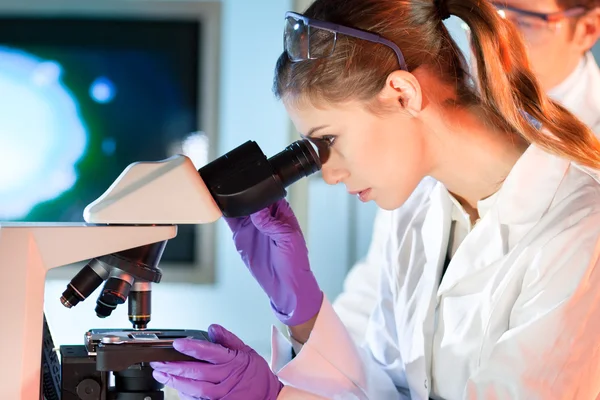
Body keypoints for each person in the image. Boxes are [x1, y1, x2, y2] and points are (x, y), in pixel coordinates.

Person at [150, 0, 600, 398]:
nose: (328, 171)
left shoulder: (581, 234)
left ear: (402, 93)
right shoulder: (419, 214)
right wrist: (303, 313)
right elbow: (388, 391)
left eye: (328, 140)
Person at [334, 0, 600, 344]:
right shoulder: (434, 118)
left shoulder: (586, 178)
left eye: (524, 22)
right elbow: (376, 292)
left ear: (586, 30)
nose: (491, 38)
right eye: (487, 14)